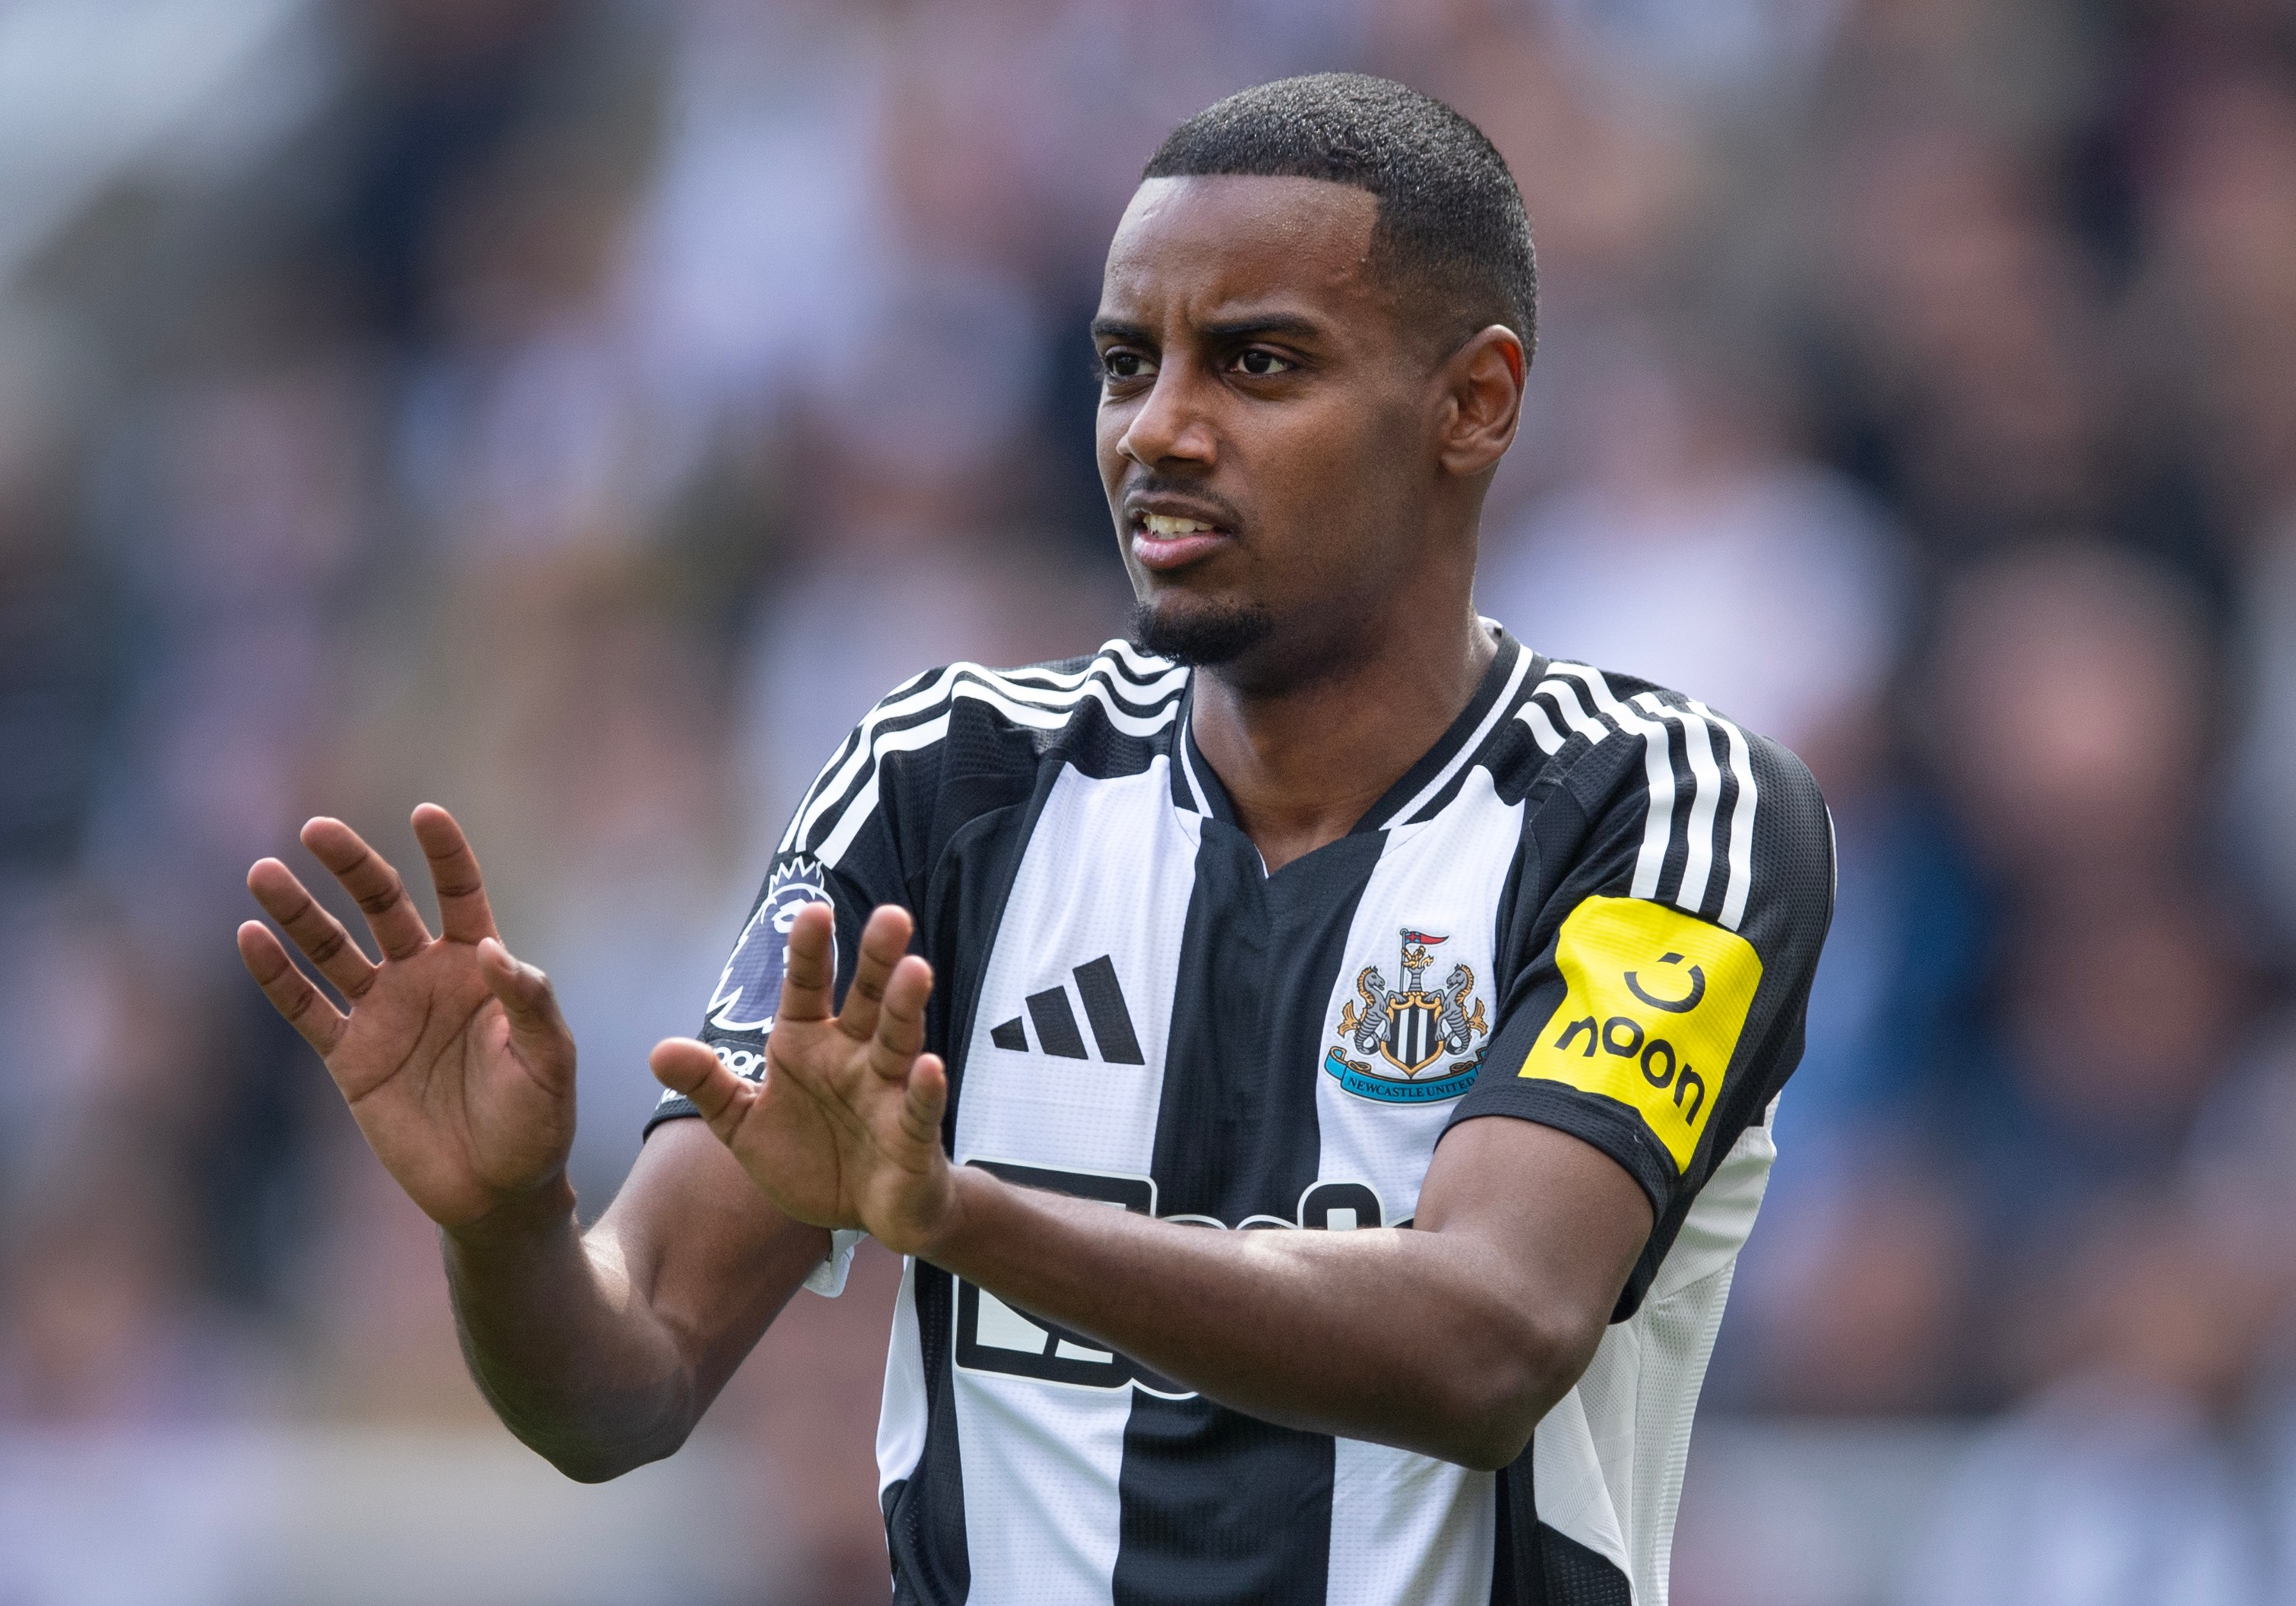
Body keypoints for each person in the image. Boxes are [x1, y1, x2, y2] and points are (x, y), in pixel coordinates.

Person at [237, 74, 1833, 1606]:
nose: (1162, 428)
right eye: (1126, 362)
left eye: (1258, 365)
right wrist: (505, 1221)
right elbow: (619, 1383)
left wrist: (961, 1217)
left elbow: (1488, 1340)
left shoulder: (1665, 811)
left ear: (1472, 403)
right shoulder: (946, 786)